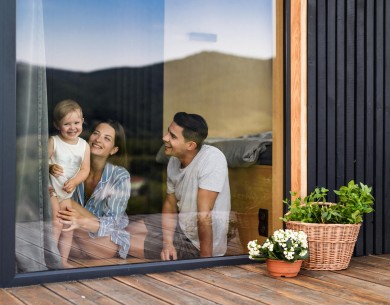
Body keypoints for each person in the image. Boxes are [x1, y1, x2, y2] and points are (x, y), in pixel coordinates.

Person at [52, 120, 131, 266]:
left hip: (104, 243)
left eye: (107, 138)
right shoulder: (73, 166)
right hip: (73, 239)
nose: (98, 140)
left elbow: (112, 223)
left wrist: (80, 221)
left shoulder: (119, 176)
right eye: (96, 133)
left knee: (66, 202)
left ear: (113, 150)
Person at [159, 112, 231, 260]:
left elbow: (204, 216)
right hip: (181, 230)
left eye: (172, 136)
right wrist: (167, 243)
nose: (164, 138)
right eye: (168, 132)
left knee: (121, 243)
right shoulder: (174, 160)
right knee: (129, 231)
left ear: (190, 145)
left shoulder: (212, 159)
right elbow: (170, 203)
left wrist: (204, 263)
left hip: (197, 245)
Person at [48, 99, 90, 268]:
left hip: (66, 192)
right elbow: (39, 163)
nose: (72, 128)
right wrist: (50, 167)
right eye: (67, 124)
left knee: (67, 225)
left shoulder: (84, 146)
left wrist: (74, 181)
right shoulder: (54, 141)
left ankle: (63, 261)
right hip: (51, 189)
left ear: (82, 121)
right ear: (57, 125)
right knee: (56, 223)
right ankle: (49, 260)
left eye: (76, 123)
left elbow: (85, 170)